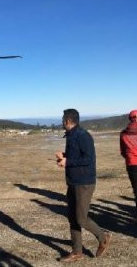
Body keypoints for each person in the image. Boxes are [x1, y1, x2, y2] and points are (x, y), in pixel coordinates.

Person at [55, 108, 111, 262]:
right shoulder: (71, 135)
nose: (61, 122)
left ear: (67, 121)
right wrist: (64, 157)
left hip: (84, 183)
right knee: (72, 218)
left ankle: (103, 236)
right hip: (73, 182)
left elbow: (88, 159)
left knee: (81, 218)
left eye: (62, 119)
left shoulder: (83, 136)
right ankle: (76, 252)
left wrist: (68, 161)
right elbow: (75, 157)